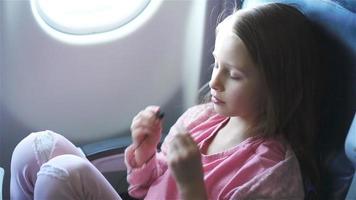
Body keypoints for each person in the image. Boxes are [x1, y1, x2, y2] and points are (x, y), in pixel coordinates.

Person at [10, 3, 321, 199]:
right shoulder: (200, 120)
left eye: (234, 75)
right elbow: (144, 189)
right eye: (215, 65)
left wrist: (191, 187)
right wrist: (146, 155)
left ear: (275, 86)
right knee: (34, 148)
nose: (213, 82)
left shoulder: (271, 174)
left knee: (63, 173)